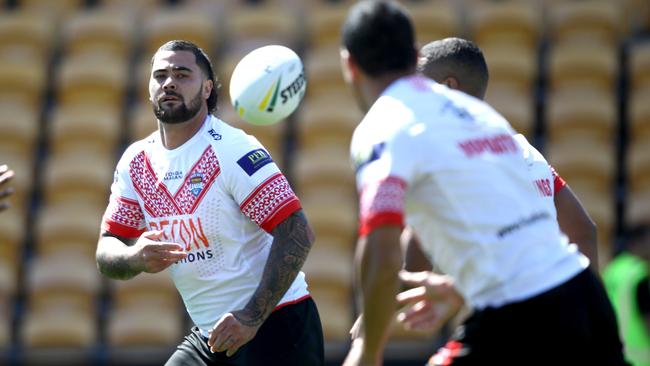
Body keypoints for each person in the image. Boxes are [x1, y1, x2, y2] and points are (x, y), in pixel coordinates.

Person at [339, 1, 627, 365]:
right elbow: (535, 230)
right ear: (413, 57)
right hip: (585, 298)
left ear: (349, 64)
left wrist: (368, 347)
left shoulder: (383, 126)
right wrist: (461, 288)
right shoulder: (482, 116)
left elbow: (381, 249)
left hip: (518, 312)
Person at [96, 40, 324, 366]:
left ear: (206, 89)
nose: (169, 82)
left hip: (277, 324)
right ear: (148, 89)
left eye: (182, 74)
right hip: (211, 335)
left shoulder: (233, 150)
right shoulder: (136, 163)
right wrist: (133, 258)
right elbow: (107, 250)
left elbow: (298, 232)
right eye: (159, 75)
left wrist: (251, 317)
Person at [403, 37, 599, 273]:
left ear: (448, 87)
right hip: (551, 297)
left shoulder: (443, 155)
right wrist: (589, 306)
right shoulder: (524, 150)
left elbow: (416, 255)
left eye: (420, 86)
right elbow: (584, 230)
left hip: (500, 303)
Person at [604, 224, 650, 366]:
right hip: (640, 358)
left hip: (614, 354)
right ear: (637, 243)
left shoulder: (612, 269)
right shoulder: (639, 272)